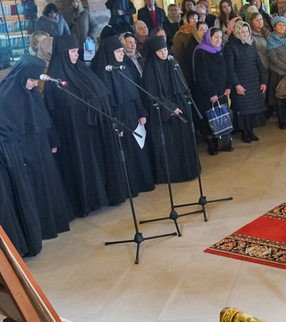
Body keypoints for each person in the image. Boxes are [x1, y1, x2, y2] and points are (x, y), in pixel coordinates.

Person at [44, 35, 124, 216]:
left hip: (96, 129)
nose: (76, 55)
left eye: (77, 51)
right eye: (73, 51)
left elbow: (100, 92)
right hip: (75, 135)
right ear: (63, 54)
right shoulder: (54, 81)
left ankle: (108, 194)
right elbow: (55, 111)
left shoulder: (82, 70)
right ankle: (89, 202)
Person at [0, 55, 73, 246]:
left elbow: (42, 118)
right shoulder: (6, 96)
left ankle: (52, 223)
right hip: (24, 151)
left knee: (47, 183)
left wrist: (51, 139)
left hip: (40, 146)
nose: (34, 84)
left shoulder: (31, 92)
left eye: (36, 80)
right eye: (32, 80)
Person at [91, 35, 155, 195]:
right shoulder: (103, 73)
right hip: (118, 118)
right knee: (126, 153)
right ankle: (131, 186)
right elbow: (107, 103)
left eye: (122, 51)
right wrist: (116, 123)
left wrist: (141, 113)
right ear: (110, 52)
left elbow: (135, 93)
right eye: (118, 51)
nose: (122, 54)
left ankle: (143, 182)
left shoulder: (124, 67)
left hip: (132, 113)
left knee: (138, 150)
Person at [141, 35, 200, 184]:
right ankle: (174, 174)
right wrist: (170, 108)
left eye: (165, 50)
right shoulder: (150, 69)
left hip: (180, 106)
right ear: (154, 52)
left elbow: (182, 85)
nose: (163, 53)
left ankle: (189, 169)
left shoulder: (172, 62)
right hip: (164, 112)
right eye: (160, 51)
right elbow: (152, 95)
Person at [225, 21, 267, 144]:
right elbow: (230, 68)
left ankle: (250, 131)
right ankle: (244, 133)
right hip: (241, 82)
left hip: (253, 81)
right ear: (236, 32)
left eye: (247, 31)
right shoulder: (230, 46)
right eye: (242, 32)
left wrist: (263, 81)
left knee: (253, 109)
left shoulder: (251, 43)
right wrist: (237, 85)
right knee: (243, 110)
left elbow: (258, 63)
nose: (245, 34)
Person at [193, 27, 232, 154]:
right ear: (209, 38)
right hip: (208, 93)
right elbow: (202, 75)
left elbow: (227, 69)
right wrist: (211, 92)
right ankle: (212, 143)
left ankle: (224, 142)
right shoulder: (201, 51)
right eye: (216, 37)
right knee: (210, 118)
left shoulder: (220, 50)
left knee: (222, 116)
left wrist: (228, 86)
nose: (218, 40)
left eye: (220, 37)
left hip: (222, 90)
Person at [266, 16, 286, 130]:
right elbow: (273, 59)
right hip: (277, 72)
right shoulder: (270, 39)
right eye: (279, 25)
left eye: (284, 25)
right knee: (279, 97)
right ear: (274, 27)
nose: (282, 27)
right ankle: (282, 120)